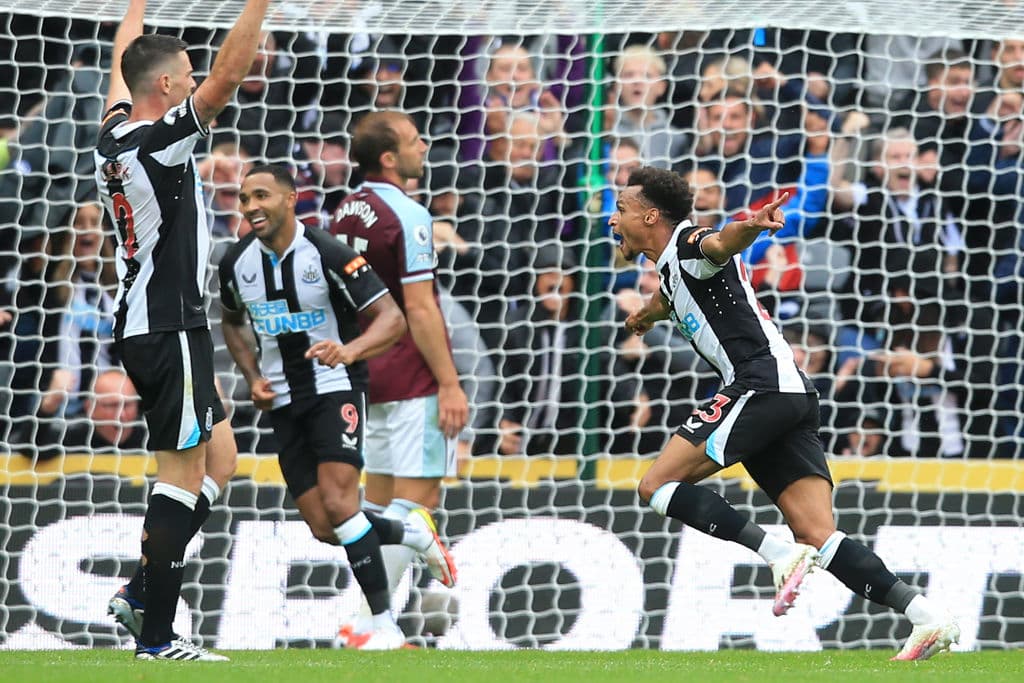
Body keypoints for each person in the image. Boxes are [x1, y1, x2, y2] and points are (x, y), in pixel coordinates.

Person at [611, 166, 959, 661]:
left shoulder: (691, 244)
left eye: (621, 209)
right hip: (792, 393)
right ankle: (927, 616)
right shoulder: (672, 267)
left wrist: (751, 226)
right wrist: (644, 316)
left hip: (760, 385)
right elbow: (666, 298)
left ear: (650, 216)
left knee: (655, 486)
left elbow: (720, 242)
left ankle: (776, 554)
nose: (613, 219)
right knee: (818, 534)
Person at [94, 0, 271, 661]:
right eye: (187, 75)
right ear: (166, 86)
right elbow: (229, 76)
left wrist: (135, 8)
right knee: (182, 474)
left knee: (220, 459)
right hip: (168, 323)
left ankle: (143, 589)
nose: (196, 81)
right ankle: (157, 636)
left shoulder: (113, 134)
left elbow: (123, 68)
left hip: (151, 321)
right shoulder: (161, 141)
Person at [218, 165, 456, 650]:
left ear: (291, 199)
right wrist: (252, 376)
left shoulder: (328, 252)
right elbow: (232, 321)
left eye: (261, 195)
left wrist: (349, 351)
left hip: (336, 387)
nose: (251, 207)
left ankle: (381, 626)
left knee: (342, 504)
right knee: (325, 525)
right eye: (244, 199)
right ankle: (411, 532)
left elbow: (392, 319)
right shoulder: (236, 262)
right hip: (283, 401)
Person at [328, 110, 469, 648]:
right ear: (389, 158)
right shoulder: (408, 214)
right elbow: (421, 308)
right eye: (413, 140)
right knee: (416, 505)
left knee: (381, 508)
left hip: (366, 374)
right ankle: (364, 623)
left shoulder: (343, 211)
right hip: (411, 375)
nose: (424, 146)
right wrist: (449, 383)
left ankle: (366, 624)